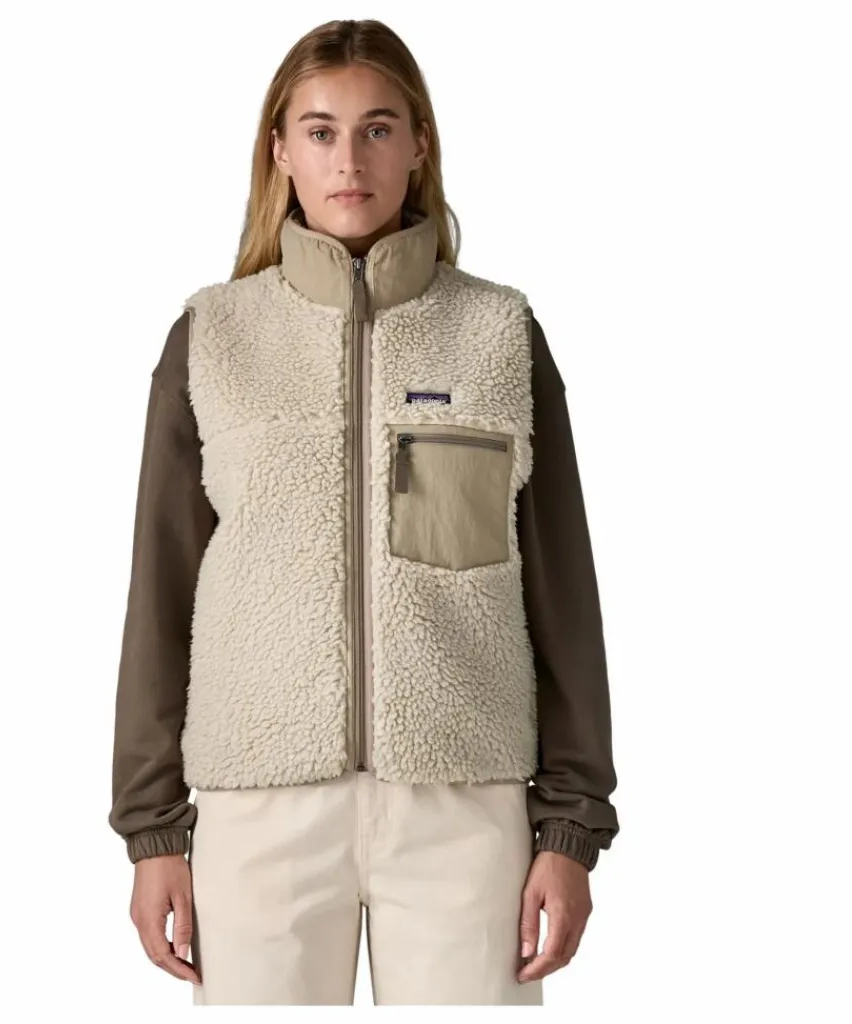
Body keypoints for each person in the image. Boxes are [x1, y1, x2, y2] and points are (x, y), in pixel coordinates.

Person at [108, 17, 620, 1006]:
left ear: (419, 144)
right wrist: (153, 830)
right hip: (260, 805)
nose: (349, 159)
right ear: (280, 151)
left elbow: (564, 598)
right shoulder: (213, 337)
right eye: (321, 131)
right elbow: (159, 595)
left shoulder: (497, 332)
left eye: (378, 129)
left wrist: (569, 829)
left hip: (464, 802)